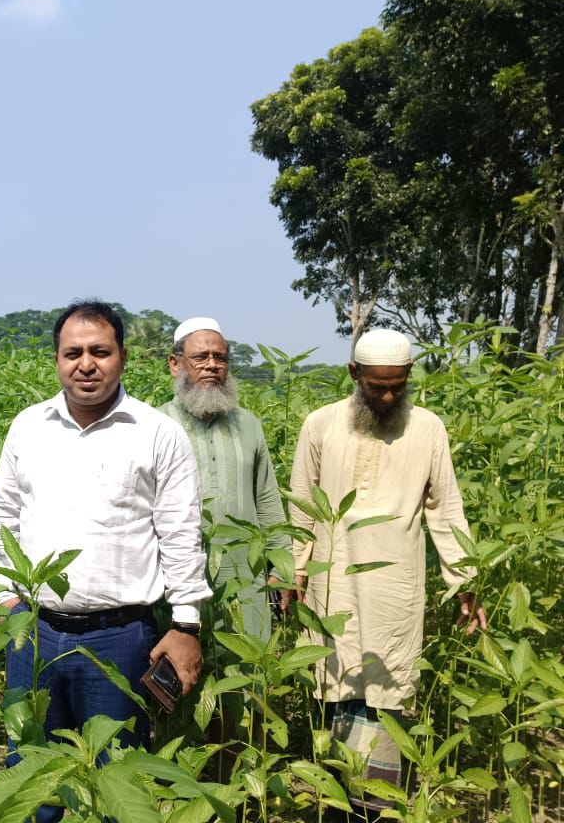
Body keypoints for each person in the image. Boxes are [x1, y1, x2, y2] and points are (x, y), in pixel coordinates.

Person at [0, 300, 210, 822]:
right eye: (73, 353)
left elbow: (180, 533)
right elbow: (4, 513)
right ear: (57, 360)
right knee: (32, 780)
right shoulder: (28, 427)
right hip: (35, 632)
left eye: (100, 352)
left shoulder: (157, 432)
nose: (86, 364)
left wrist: (186, 623)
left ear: (123, 358)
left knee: (118, 785)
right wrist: (7, 595)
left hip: (121, 636)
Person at [289, 328, 485, 815]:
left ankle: (377, 804)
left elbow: (446, 510)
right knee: (336, 681)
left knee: (388, 684)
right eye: (378, 386)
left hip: (396, 585)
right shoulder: (320, 425)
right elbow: (302, 504)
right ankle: (336, 801)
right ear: (354, 374)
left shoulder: (427, 428)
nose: (389, 395)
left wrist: (465, 583)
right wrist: (292, 570)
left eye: (398, 384)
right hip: (332, 582)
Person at [158, 317, 291, 640]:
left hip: (248, 575)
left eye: (220, 358)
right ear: (175, 365)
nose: (212, 366)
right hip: (176, 582)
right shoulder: (156, 425)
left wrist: (284, 571)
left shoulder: (249, 425)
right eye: (200, 358)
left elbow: (268, 501)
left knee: (247, 675)